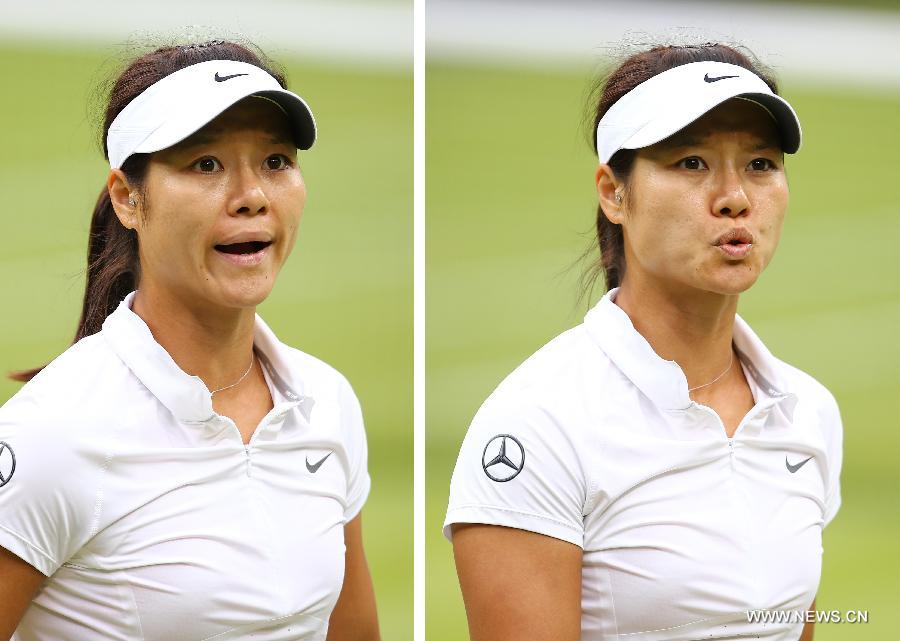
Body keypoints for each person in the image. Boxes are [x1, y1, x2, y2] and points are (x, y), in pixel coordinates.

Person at [444, 43, 842, 641]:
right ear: (614, 192)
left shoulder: (807, 412)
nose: (735, 196)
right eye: (691, 163)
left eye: (761, 164)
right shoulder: (537, 423)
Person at [0, 40, 380, 641]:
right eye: (206, 165)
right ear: (128, 197)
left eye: (276, 161)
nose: (253, 195)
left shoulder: (325, 400)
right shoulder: (49, 435)